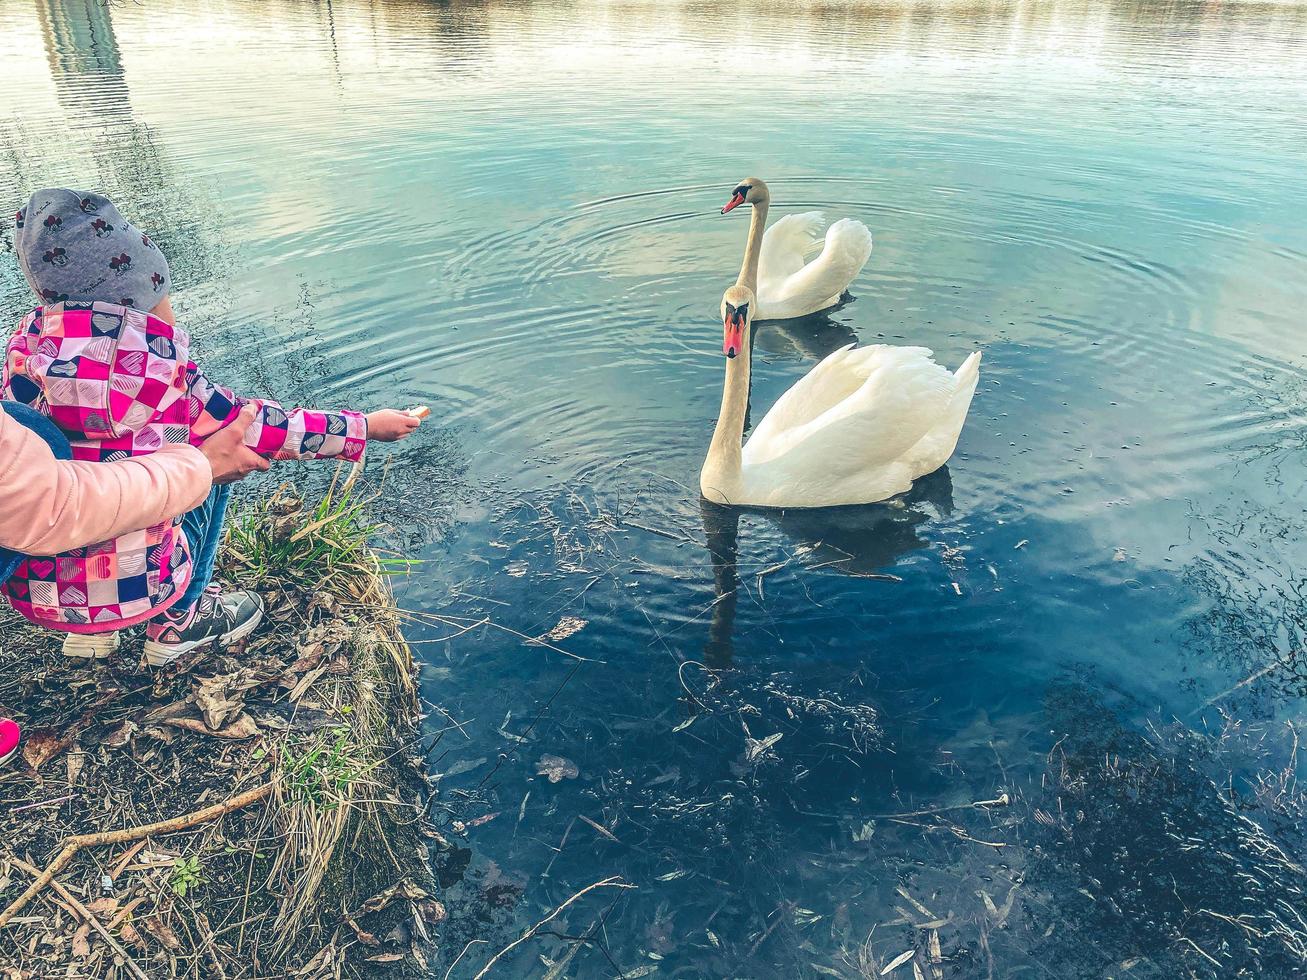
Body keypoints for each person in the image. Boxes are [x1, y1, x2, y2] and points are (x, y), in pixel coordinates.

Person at [3, 188, 422, 668]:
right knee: (206, 470)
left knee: (68, 461)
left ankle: (93, 635)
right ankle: (179, 622)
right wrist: (365, 427)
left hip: (42, 593)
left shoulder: (22, 363)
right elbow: (262, 428)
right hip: (143, 586)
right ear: (144, 301)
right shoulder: (165, 375)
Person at [0, 397, 271, 765]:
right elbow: (49, 504)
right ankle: (178, 621)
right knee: (200, 443)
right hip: (55, 513)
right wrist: (361, 429)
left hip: (51, 586)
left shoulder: (27, 351)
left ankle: (90, 624)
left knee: (35, 424)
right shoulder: (156, 367)